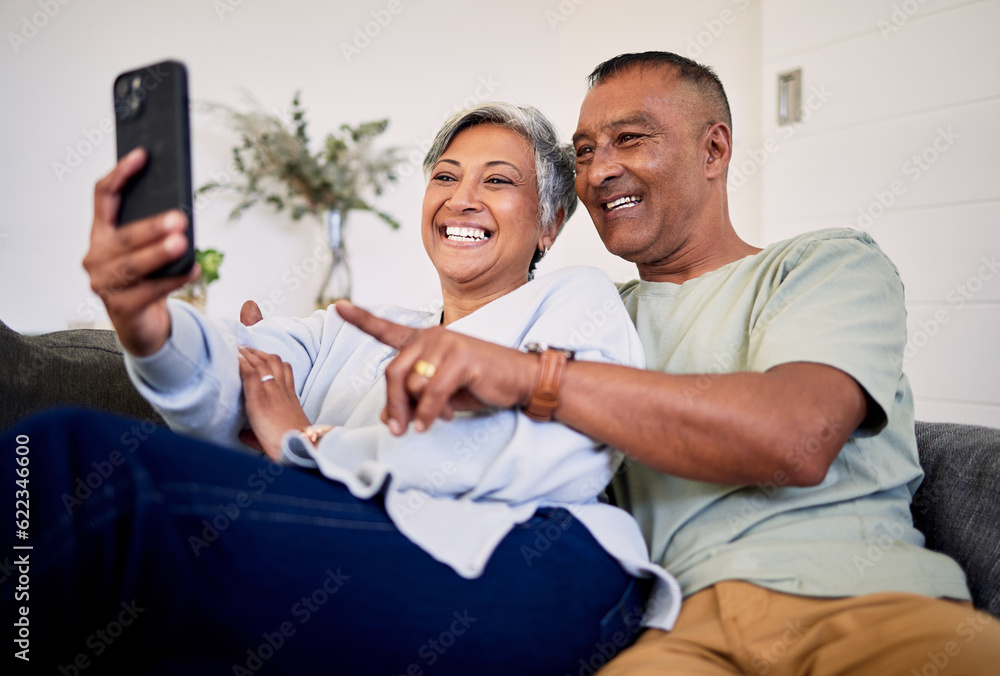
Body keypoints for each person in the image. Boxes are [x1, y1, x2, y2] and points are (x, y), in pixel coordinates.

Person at [335, 52, 1000, 675]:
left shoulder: (822, 264)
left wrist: (542, 378)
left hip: (867, 609)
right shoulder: (589, 317)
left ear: (714, 149)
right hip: (676, 636)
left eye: (629, 140)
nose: (597, 172)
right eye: (586, 152)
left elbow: (797, 439)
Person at [1, 103, 678, 674]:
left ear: (550, 224)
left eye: (498, 181)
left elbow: (554, 459)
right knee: (60, 475)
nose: (462, 197)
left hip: (548, 564)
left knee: (66, 456)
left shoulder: (573, 297)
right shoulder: (355, 327)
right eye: (446, 176)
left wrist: (304, 443)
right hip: (390, 545)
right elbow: (233, 371)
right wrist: (144, 322)